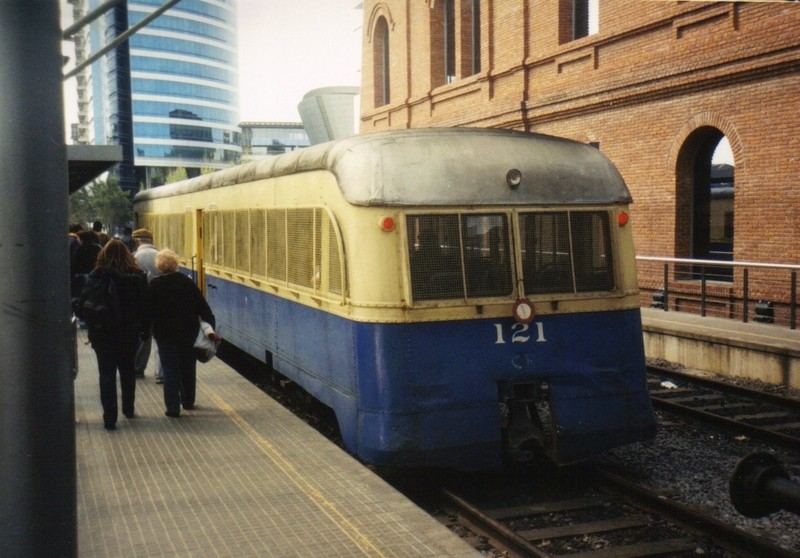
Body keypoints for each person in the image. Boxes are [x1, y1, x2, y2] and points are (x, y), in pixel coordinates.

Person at [78, 239, 150, 430]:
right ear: (127, 255)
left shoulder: (97, 275)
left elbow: (84, 301)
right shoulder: (137, 276)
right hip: (129, 333)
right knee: (127, 370)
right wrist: (145, 331)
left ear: (103, 255)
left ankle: (109, 417)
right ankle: (128, 408)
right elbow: (145, 307)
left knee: (106, 373)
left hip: (103, 333)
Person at [149, 248, 216, 418]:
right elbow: (204, 309)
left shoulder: (154, 285)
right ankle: (188, 401)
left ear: (159, 267)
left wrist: (147, 331)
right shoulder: (187, 283)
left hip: (164, 335)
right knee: (188, 367)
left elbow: (147, 311)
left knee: (170, 369)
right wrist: (209, 330)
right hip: (188, 333)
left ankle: (172, 408)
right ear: (175, 265)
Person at [131, 228, 163, 382]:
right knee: (161, 337)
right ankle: (161, 372)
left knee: (144, 337)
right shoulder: (160, 256)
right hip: (160, 301)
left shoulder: (134, 257)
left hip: (141, 302)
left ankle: (138, 368)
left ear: (137, 241)